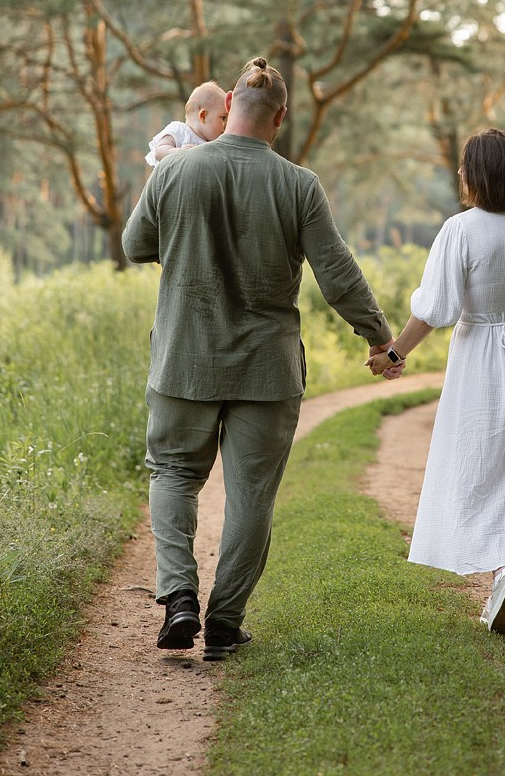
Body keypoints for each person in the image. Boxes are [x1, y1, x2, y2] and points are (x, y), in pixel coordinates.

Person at [122, 57, 392, 661]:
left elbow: (136, 245)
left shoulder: (175, 171)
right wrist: (377, 335)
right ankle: (224, 622)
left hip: (183, 360)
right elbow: (337, 272)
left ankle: (180, 598)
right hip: (265, 371)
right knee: (250, 497)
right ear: (280, 117)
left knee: (173, 474)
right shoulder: (298, 184)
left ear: (229, 107)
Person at [368, 127, 505, 636]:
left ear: (480, 174)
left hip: (480, 355)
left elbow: (436, 310)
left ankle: (498, 573)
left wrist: (394, 351)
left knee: (481, 462)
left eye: (466, 166)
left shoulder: (460, 230)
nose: (461, 173)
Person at [145, 81, 229, 166]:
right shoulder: (179, 130)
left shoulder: (214, 145)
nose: (227, 123)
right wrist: (180, 152)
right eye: (223, 118)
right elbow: (159, 151)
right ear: (203, 116)